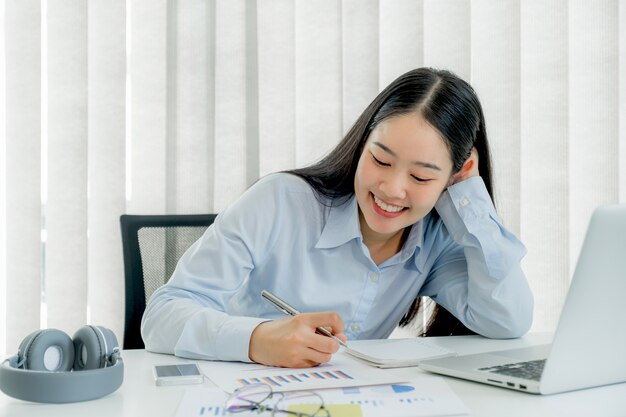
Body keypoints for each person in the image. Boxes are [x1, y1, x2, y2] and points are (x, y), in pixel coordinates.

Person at [141, 67, 534, 368]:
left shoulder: (437, 237)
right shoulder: (280, 201)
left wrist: (469, 201)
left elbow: (507, 319)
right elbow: (162, 315)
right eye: (380, 159)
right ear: (363, 142)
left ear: (455, 173)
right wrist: (256, 339)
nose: (392, 189)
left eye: (420, 176)